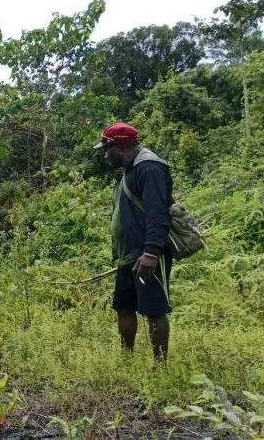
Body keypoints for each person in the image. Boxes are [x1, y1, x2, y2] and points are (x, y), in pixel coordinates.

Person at [94, 122, 173, 362]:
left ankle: (160, 369)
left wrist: (150, 253)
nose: (105, 154)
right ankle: (126, 361)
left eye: (107, 148)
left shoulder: (150, 168)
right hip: (127, 255)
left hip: (147, 254)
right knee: (124, 307)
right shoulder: (129, 170)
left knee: (154, 310)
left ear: (121, 145)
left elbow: (158, 214)